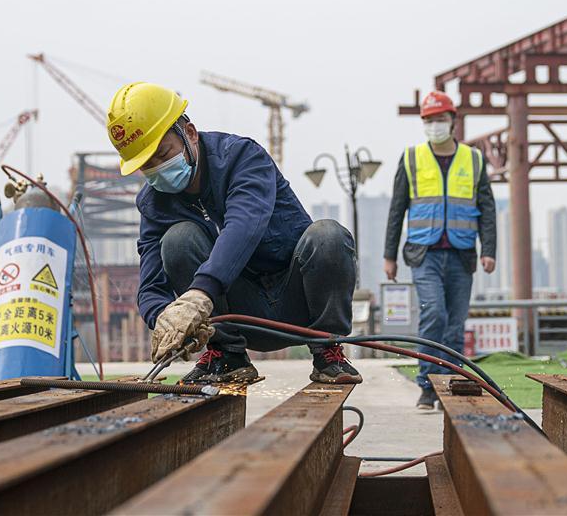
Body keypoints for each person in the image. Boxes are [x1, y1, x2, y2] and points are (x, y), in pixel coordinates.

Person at [106, 82, 362, 384]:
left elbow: (243, 227)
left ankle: (327, 351)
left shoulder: (242, 158)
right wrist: (163, 318)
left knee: (328, 235)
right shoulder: (155, 204)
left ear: (189, 133)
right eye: (147, 166)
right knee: (178, 240)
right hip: (236, 317)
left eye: (163, 154)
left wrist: (200, 293)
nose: (158, 169)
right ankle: (227, 357)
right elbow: (151, 285)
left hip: (299, 304)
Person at [383, 90, 496, 409]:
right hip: (423, 253)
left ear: (453, 121)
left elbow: (487, 207)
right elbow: (397, 208)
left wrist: (489, 250)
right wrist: (389, 256)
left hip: (462, 254)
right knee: (434, 313)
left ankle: (452, 383)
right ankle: (427, 386)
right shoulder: (410, 158)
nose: (435, 125)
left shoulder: (473, 159)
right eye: (429, 121)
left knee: (455, 323)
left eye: (440, 119)